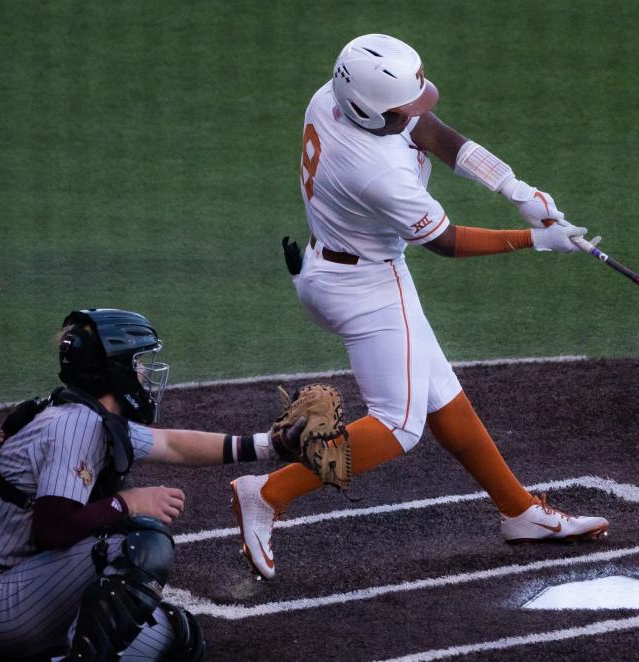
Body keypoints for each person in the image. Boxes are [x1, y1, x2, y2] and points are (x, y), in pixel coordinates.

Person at [231, 34, 609, 580]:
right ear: (370, 106)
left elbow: (429, 130)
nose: (416, 110)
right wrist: (537, 241)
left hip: (332, 266)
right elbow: (445, 241)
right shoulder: (377, 174)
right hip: (366, 287)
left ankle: (518, 510)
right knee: (398, 427)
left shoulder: (334, 98)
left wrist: (516, 188)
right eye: (403, 104)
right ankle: (267, 491)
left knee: (442, 395)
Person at [0, 309, 289, 661]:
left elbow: (174, 445)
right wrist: (126, 503)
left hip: (29, 586)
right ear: (113, 369)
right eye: (138, 362)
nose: (144, 372)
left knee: (177, 638)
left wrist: (272, 445)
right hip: (0, 599)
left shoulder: (86, 417)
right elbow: (53, 528)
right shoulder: (73, 426)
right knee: (138, 541)